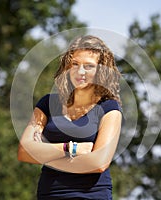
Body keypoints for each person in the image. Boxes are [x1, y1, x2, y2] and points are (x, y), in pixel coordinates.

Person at [18, 35, 122, 200]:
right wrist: (71, 149)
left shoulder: (109, 108)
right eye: (75, 64)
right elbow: (24, 151)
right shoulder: (47, 104)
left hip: (91, 195)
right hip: (49, 194)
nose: (80, 71)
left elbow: (99, 163)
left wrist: (45, 153)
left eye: (88, 66)